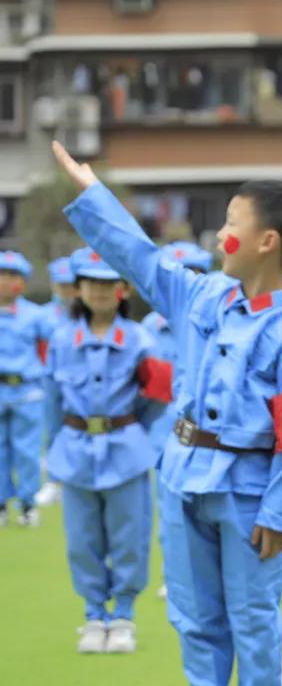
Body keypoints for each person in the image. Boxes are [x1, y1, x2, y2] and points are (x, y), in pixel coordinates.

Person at [51, 140, 282, 686]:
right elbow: (140, 257)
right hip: (182, 479)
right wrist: (93, 196)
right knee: (194, 620)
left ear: (267, 242)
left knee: (252, 620)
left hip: (248, 495)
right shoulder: (201, 296)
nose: (218, 235)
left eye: (230, 223)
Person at [46, 246, 172, 654]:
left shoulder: (141, 339)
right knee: (81, 540)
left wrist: (134, 432)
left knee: (129, 536)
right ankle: (93, 614)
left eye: (107, 283)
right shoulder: (62, 340)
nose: (99, 291)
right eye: (90, 283)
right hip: (75, 449)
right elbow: (52, 401)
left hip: (126, 449)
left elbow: (156, 396)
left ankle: (124, 615)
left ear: (122, 289)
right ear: (77, 289)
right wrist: (53, 452)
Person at [141, 240, 213, 600]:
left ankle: (206, 577)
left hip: (208, 435)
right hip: (161, 430)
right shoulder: (149, 327)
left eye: (195, 274)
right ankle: (176, 577)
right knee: (169, 513)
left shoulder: (218, 323)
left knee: (208, 512)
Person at [0, 250, 52, 527]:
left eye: (13, 276)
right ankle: (1, 504)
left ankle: (28, 503)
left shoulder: (36, 316)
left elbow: (49, 351)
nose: (6, 282)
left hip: (27, 391)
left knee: (28, 450)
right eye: (2, 275)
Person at [35, 256, 79, 508]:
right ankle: (53, 481)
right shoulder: (43, 316)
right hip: (49, 381)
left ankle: (72, 479)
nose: (66, 290)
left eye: (69, 284)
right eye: (61, 285)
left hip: (78, 382)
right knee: (51, 431)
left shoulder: (82, 315)